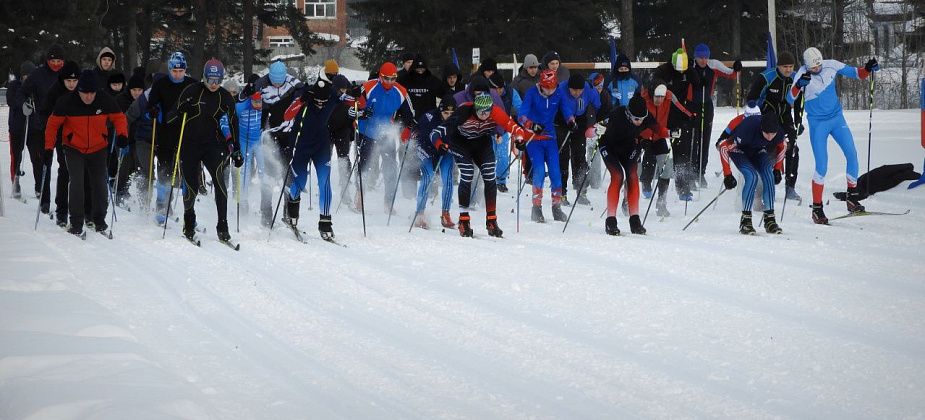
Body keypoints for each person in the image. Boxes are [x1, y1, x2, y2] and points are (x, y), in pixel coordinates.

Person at [787, 47, 879, 224]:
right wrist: (798, 85)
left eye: (818, 65)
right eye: (813, 67)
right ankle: (817, 209)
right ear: (806, 65)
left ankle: (852, 198)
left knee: (852, 154)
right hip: (818, 124)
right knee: (822, 166)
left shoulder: (831, 65)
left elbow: (857, 74)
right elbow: (790, 99)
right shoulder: (802, 73)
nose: (817, 69)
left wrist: (868, 68)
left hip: (837, 119)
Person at [432, 94, 541, 237]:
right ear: (475, 108)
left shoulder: (495, 111)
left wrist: (520, 140)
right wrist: (439, 144)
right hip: (460, 143)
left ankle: (491, 220)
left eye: (487, 112)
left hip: (481, 143)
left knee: (490, 175)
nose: (484, 115)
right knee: (468, 173)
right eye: (480, 112)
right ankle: (464, 220)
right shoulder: (464, 112)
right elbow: (436, 133)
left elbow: (515, 128)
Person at [43, 70, 128, 236]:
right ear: (78, 90)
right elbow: (52, 125)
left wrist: (122, 135)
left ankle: (99, 220)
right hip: (73, 147)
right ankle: (76, 223)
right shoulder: (66, 101)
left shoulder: (104, 99)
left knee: (100, 184)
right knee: (77, 182)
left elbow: (119, 117)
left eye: (92, 93)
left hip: (98, 147)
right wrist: (48, 148)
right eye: (85, 93)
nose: (89, 97)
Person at [170, 58, 241, 242]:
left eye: (218, 80)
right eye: (210, 80)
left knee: (219, 182)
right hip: (190, 144)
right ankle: (189, 222)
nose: (214, 84)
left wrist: (236, 149)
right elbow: (171, 117)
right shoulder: (192, 91)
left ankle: (223, 226)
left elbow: (233, 123)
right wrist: (181, 110)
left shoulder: (225, 97)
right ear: (204, 77)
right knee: (191, 185)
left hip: (213, 145)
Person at [283, 79, 343, 240]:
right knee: (300, 182)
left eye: (324, 102)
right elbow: (287, 115)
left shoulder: (332, 97)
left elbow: (351, 100)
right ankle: (292, 211)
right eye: (318, 101)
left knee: (324, 182)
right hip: (301, 145)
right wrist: (302, 100)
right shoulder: (305, 97)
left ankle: (325, 222)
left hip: (321, 146)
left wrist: (356, 95)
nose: (321, 105)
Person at [354, 62, 416, 213]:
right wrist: (362, 112)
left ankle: (389, 201)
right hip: (366, 130)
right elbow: (352, 105)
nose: (389, 82)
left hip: (386, 132)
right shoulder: (368, 87)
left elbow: (410, 114)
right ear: (380, 77)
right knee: (364, 164)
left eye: (393, 79)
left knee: (390, 166)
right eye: (386, 78)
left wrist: (408, 128)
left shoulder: (401, 91)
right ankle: (360, 195)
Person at [146, 51, 198, 224]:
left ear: (185, 70)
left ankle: (189, 211)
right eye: (174, 71)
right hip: (166, 133)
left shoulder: (192, 84)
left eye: (181, 71)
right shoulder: (160, 84)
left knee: (187, 171)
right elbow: (150, 105)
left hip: (186, 132)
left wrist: (193, 110)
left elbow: (201, 105)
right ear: (169, 69)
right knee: (165, 169)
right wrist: (153, 110)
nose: (177, 74)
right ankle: (162, 205)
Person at [518, 69, 575, 222]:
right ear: (540, 84)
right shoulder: (532, 93)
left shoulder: (559, 93)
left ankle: (556, 207)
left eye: (552, 88)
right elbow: (521, 115)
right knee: (539, 171)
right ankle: (536, 208)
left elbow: (566, 109)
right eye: (546, 88)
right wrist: (531, 125)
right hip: (534, 137)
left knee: (556, 172)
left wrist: (570, 120)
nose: (549, 91)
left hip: (550, 137)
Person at [598, 96, 661, 235]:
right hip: (609, 147)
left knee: (632, 176)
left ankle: (635, 221)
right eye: (636, 119)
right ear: (628, 113)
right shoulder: (616, 115)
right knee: (618, 176)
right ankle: (610, 221)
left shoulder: (646, 117)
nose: (639, 122)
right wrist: (597, 130)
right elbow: (591, 130)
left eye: (642, 118)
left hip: (629, 147)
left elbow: (659, 130)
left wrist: (671, 133)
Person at [747, 51, 804, 202]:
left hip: (785, 116)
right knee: (768, 150)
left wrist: (798, 121)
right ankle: (759, 187)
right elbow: (751, 97)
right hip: (766, 116)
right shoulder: (767, 77)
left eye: (791, 66)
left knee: (792, 148)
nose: (788, 69)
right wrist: (753, 111)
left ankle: (790, 188)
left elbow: (799, 101)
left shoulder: (795, 78)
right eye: (785, 67)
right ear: (778, 66)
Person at [716, 113, 786, 235]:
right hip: (739, 150)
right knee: (751, 176)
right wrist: (727, 175)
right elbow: (723, 148)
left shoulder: (778, 132)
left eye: (773, 134)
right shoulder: (747, 129)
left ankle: (769, 219)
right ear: (761, 128)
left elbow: (783, 147)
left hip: (757, 150)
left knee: (769, 174)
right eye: (767, 133)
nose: (770, 137)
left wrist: (777, 169)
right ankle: (746, 220)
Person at [255, 60, 304, 225]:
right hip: (269, 135)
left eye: (279, 81)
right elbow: (256, 105)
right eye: (274, 81)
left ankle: (288, 211)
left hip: (288, 134)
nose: (277, 84)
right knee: (268, 174)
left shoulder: (293, 83)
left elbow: (303, 92)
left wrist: (298, 100)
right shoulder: (261, 84)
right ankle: (266, 213)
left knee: (288, 173)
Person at [18, 43, 66, 211]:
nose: (56, 64)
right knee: (45, 163)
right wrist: (25, 103)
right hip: (43, 125)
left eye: (59, 61)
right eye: (53, 61)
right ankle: (45, 201)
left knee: (64, 165)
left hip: (65, 126)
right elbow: (22, 91)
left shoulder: (67, 74)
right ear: (47, 60)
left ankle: (62, 203)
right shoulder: (38, 74)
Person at [688, 43, 741, 188]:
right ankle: (691, 174)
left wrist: (737, 67)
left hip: (707, 105)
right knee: (693, 140)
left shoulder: (714, 64)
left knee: (704, 140)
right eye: (700, 57)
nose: (703, 60)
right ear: (695, 57)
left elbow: (731, 74)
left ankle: (701, 173)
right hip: (692, 106)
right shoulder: (690, 65)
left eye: (705, 57)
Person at [638, 84, 694, 217]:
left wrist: (690, 117)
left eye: (662, 97)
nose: (659, 100)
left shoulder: (669, 96)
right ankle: (628, 200)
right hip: (642, 137)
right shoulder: (643, 98)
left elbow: (681, 108)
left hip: (659, 137)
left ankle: (661, 202)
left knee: (667, 169)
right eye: (657, 97)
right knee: (634, 169)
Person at [40, 60, 82, 228]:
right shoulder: (55, 91)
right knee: (65, 170)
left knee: (79, 174)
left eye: (74, 80)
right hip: (59, 137)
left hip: (78, 137)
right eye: (68, 81)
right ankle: (62, 211)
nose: (71, 84)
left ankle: (82, 210)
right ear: (62, 80)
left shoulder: (82, 91)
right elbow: (45, 114)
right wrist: (49, 143)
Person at [653, 46, 696, 201]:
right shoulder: (662, 71)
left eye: (683, 69)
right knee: (654, 147)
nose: (680, 72)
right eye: (678, 69)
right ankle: (647, 181)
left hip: (680, 114)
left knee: (682, 151)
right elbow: (654, 86)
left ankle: (683, 187)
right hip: (662, 113)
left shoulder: (688, 71)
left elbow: (698, 84)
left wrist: (690, 112)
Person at [411, 95, 457, 229]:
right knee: (428, 177)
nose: (449, 116)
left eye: (451, 113)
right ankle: (420, 213)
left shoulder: (458, 119)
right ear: (440, 110)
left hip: (445, 151)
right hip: (426, 150)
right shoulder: (430, 117)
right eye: (446, 113)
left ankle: (445, 213)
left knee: (448, 179)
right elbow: (421, 135)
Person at [555, 73, 600, 205]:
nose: (576, 93)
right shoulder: (560, 89)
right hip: (561, 121)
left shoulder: (589, 90)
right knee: (563, 156)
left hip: (580, 120)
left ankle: (581, 190)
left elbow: (597, 105)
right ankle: (561, 192)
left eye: (579, 90)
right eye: (573, 90)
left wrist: (594, 121)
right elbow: (555, 106)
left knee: (579, 154)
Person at [5, 60, 35, 199]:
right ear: (22, 75)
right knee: (16, 156)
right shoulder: (14, 86)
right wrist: (23, 102)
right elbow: (11, 100)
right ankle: (15, 182)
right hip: (16, 128)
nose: (28, 78)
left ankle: (39, 186)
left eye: (31, 75)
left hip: (32, 128)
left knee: (37, 157)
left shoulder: (36, 87)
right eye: (26, 75)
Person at [328, 74, 359, 205]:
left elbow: (357, 111)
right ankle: (324, 187)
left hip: (343, 131)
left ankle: (345, 191)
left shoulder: (349, 97)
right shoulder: (328, 96)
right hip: (328, 130)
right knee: (325, 159)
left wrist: (355, 114)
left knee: (344, 159)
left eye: (345, 89)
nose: (344, 92)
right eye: (341, 89)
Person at [488, 72, 513, 193]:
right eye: (497, 88)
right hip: (488, 131)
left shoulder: (510, 92)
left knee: (503, 156)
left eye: (501, 88)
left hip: (502, 130)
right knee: (489, 156)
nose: (500, 90)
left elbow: (519, 107)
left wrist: (523, 120)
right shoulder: (485, 95)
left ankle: (501, 180)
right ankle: (487, 179)